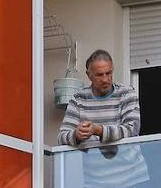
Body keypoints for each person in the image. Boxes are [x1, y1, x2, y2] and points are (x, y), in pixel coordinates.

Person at [58, 49, 149, 186]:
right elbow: (61, 137)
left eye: (109, 73)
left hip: (132, 178)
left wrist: (97, 130)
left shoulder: (126, 93)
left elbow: (132, 129)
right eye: (99, 75)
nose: (105, 79)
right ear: (89, 75)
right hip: (96, 182)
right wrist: (77, 135)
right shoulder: (78, 99)